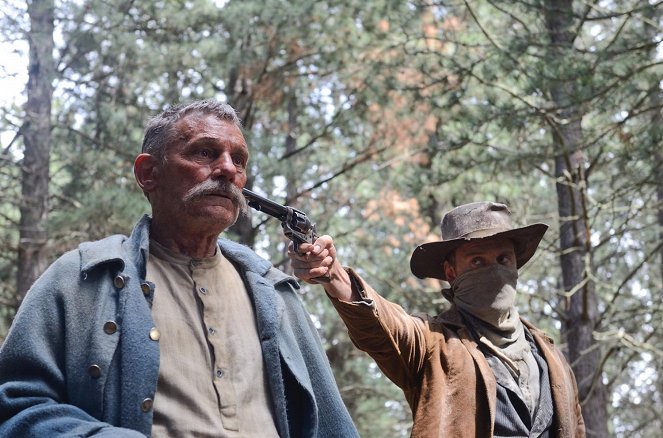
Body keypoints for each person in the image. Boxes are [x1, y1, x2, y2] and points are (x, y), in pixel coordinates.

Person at [0, 99, 359, 438]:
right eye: (205, 152)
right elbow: (15, 406)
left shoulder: (275, 294)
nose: (228, 169)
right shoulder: (84, 278)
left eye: (239, 160)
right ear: (149, 173)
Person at [290, 201, 586, 437]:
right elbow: (385, 327)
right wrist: (335, 275)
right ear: (451, 273)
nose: (493, 271)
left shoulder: (551, 357)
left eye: (503, 260)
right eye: (477, 261)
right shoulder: (433, 343)